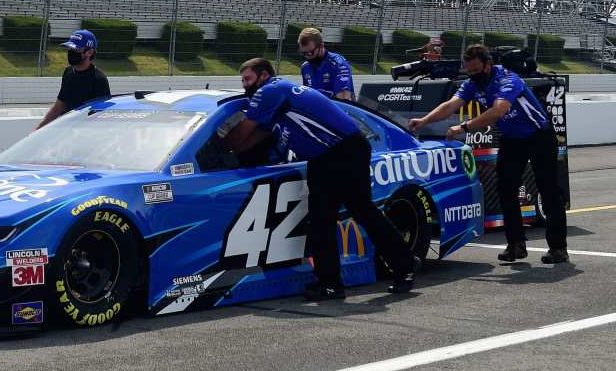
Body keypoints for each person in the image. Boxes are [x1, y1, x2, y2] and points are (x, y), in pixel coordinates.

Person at [223, 58, 418, 300]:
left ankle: (405, 265)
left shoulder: (270, 90)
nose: (244, 85)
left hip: (344, 150)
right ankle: (330, 284)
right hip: (323, 156)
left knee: (362, 211)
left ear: (263, 75)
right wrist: (233, 154)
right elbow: (260, 133)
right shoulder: (278, 95)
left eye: (247, 79)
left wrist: (223, 147)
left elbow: (245, 130)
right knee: (320, 220)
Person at [408, 44, 568, 264]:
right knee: (505, 189)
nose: (473, 75)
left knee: (548, 190)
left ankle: (558, 248)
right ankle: (516, 245)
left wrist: (463, 127)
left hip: (538, 135)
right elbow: (450, 105)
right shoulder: (472, 83)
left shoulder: (508, 79)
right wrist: (424, 121)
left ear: (488, 65)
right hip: (512, 139)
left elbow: (498, 111)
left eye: (476, 70)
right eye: (469, 71)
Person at [35, 29, 110, 130]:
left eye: (76, 49)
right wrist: (38, 130)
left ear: (89, 52)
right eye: (70, 48)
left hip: (84, 133)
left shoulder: (99, 79)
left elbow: (101, 116)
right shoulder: (68, 72)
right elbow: (59, 105)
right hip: (65, 130)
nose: (71, 52)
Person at [298, 27, 354, 101]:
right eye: (303, 53)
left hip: (337, 107)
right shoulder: (305, 67)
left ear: (321, 46)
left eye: (310, 53)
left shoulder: (339, 65)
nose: (307, 57)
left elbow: (343, 98)